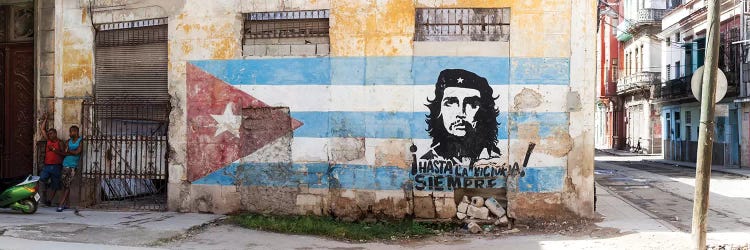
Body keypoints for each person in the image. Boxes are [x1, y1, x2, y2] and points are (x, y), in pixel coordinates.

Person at [422, 69, 502, 164]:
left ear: (485, 112)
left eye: (472, 103)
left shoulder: (497, 161)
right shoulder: (426, 162)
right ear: (438, 111)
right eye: (451, 102)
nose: (461, 113)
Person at [39, 113, 65, 207]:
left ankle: (49, 201)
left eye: (51, 133)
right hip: (47, 165)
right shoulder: (48, 141)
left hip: (56, 166)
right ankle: (41, 198)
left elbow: (64, 154)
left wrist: (55, 150)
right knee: (41, 179)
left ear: (55, 134)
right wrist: (46, 119)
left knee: (55, 185)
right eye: (49, 134)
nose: (49, 135)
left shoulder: (60, 142)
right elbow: (42, 129)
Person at [58, 125, 82, 212]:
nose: (70, 133)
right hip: (65, 164)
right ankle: (67, 204)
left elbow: (77, 152)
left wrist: (69, 151)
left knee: (67, 184)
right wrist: (70, 152)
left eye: (72, 131)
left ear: (76, 132)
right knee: (65, 184)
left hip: (73, 166)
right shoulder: (68, 141)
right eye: (70, 131)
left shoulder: (80, 141)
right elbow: (65, 152)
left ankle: (61, 203)